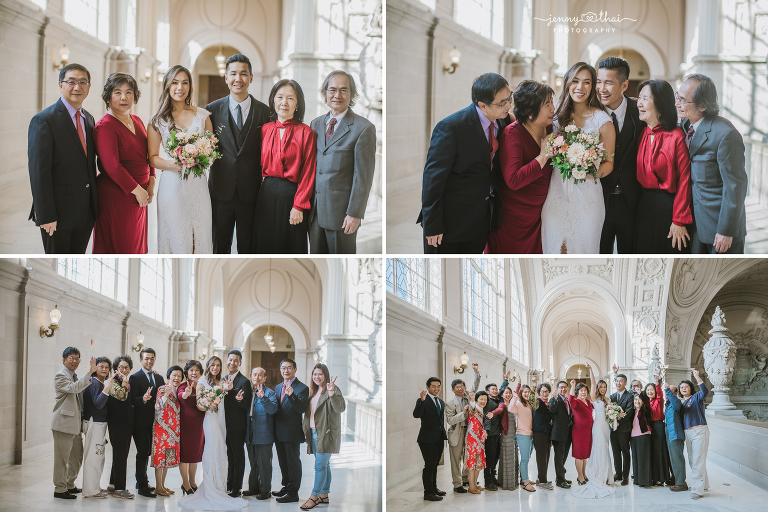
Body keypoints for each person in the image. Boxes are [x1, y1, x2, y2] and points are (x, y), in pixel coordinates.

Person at [418, 73, 513, 253]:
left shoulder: (502, 119)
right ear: (482, 106)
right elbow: (432, 181)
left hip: (480, 222)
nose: (509, 106)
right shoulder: (451, 128)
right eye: (502, 103)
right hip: (449, 224)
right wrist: (432, 225)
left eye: (509, 98)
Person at [541, 61, 615, 254]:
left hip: (588, 196)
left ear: (593, 87)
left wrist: (589, 173)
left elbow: (609, 163)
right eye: (575, 81)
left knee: (583, 249)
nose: (580, 87)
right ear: (567, 82)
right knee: (556, 248)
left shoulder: (602, 121)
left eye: (586, 82)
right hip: (557, 192)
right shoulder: (554, 114)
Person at [28, 64, 98, 254]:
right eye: (71, 82)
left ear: (89, 87)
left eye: (83, 82)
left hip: (85, 213)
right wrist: (46, 215)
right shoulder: (44, 120)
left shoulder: (89, 119)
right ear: (61, 85)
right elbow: (38, 172)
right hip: (57, 215)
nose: (77, 87)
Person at [205, 54, 271, 253]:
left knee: (249, 246)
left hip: (251, 192)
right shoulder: (211, 111)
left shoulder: (265, 112)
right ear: (226, 77)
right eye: (233, 74)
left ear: (251, 78)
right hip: (220, 190)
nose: (238, 79)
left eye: (244, 74)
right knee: (219, 246)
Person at [677, 74, 748, 254]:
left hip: (719, 227)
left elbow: (735, 186)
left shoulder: (725, 134)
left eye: (683, 101)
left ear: (703, 105)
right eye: (678, 97)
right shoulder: (685, 125)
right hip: (695, 224)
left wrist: (726, 230)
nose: (677, 104)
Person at [148, 65, 213, 253]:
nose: (180, 87)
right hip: (172, 186)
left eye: (185, 82)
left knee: (200, 235)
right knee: (177, 235)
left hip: (198, 185)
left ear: (190, 86)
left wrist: (200, 158)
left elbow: (210, 150)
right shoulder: (157, 121)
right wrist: (175, 164)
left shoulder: (202, 116)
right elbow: (152, 158)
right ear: (167, 86)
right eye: (175, 82)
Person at [309, 70, 376, 253]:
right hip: (314, 212)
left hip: (341, 216)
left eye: (343, 90)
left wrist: (354, 213)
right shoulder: (315, 124)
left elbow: (363, 176)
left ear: (352, 94)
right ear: (325, 93)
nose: (337, 95)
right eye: (332, 90)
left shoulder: (363, 129)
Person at [487, 80, 555, 254]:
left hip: (541, 216)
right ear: (530, 110)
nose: (553, 109)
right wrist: (543, 156)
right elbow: (513, 180)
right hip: (514, 219)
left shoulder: (551, 129)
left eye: (552, 103)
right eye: (547, 105)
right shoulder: (512, 134)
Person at [253, 79, 317, 253]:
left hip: (292, 195)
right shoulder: (265, 129)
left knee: (289, 246)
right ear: (273, 100)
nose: (284, 102)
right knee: (265, 245)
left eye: (290, 98)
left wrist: (299, 205)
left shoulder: (307, 133)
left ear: (297, 103)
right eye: (280, 97)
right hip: (266, 194)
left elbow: (308, 172)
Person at [92, 72, 153, 253]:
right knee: (122, 246)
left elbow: (149, 154)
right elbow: (112, 166)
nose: (124, 97)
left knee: (136, 245)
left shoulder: (137, 120)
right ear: (108, 96)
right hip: (118, 195)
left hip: (140, 194)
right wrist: (138, 191)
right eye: (117, 92)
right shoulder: (105, 126)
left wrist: (152, 181)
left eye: (129, 92)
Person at [178, 356, 247, 509]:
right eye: (212, 365)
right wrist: (210, 404)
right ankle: (210, 486)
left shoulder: (222, 382)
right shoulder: (202, 382)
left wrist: (226, 390)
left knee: (221, 450)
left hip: (221, 420)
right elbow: (200, 405)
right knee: (212, 449)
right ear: (208, 367)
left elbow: (227, 402)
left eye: (218, 365)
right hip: (210, 420)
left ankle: (220, 485)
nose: (215, 367)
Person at [634, 79, 693, 253]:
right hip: (644, 206)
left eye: (645, 98)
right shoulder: (643, 133)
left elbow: (685, 180)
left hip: (669, 208)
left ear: (660, 103)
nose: (639, 103)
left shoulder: (676, 136)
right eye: (639, 98)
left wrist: (679, 220)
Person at [596, 56, 645, 253]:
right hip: (599, 199)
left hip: (632, 200)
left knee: (631, 253)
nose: (601, 88)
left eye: (608, 82)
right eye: (599, 82)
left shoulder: (640, 112)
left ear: (624, 85)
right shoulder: (590, 113)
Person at [52, 348, 97, 499]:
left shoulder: (74, 376)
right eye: (71, 358)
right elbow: (73, 389)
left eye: (78, 358)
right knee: (62, 459)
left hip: (75, 425)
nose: (75, 361)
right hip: (63, 424)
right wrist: (90, 373)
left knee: (76, 457)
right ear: (63, 360)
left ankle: (69, 484)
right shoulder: (61, 375)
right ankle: (59, 489)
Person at [300, 364, 346, 509]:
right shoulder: (312, 391)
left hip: (326, 433)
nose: (317, 377)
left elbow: (340, 408)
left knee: (319, 466)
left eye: (320, 374)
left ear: (325, 375)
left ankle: (314, 496)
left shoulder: (332, 389)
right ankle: (324, 495)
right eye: (314, 374)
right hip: (313, 432)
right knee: (325, 465)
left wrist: (332, 393)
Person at [571, 371, 615, 499]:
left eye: (604, 387)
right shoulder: (594, 399)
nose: (602, 389)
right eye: (600, 387)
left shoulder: (608, 399)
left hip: (605, 425)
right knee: (598, 448)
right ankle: (597, 474)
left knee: (605, 449)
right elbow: (594, 383)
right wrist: (590, 369)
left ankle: (606, 475)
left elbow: (611, 412)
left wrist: (614, 417)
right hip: (597, 426)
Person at [272, 358, 310, 503]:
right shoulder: (277, 387)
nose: (285, 371)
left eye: (289, 368)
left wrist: (291, 395)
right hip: (278, 430)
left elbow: (301, 408)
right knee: (283, 461)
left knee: (293, 462)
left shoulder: (302, 388)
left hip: (292, 431)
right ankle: (286, 487)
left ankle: (293, 493)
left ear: (294, 369)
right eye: (283, 368)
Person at [129, 347, 165, 498]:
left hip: (155, 422)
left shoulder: (159, 378)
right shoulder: (135, 378)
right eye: (146, 358)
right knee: (142, 453)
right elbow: (131, 400)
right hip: (140, 422)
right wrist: (143, 399)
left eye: (152, 358)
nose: (149, 361)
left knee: (149, 453)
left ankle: (142, 481)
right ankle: (142, 485)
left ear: (155, 359)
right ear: (140, 360)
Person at [445, 364, 481, 493]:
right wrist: (463, 413)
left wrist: (476, 372)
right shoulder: (449, 404)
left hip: (470, 431)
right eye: (457, 387)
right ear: (453, 389)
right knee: (456, 459)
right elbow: (450, 420)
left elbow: (474, 387)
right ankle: (457, 484)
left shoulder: (467, 395)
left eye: (462, 387)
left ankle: (467, 478)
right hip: (457, 432)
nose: (460, 389)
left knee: (468, 456)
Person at [221, 350, 251, 497]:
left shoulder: (244, 381)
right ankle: (229, 482)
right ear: (227, 361)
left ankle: (236, 487)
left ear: (240, 363)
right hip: (223, 424)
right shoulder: (222, 378)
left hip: (236, 426)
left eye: (235, 361)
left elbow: (246, 404)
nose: (232, 363)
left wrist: (237, 396)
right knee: (228, 455)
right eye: (230, 360)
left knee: (237, 456)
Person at [245, 367, 278, 500]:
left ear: (264, 378)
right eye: (255, 375)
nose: (257, 377)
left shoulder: (270, 393)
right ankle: (254, 487)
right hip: (250, 432)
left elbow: (273, 410)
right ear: (251, 376)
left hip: (264, 433)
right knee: (253, 462)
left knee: (264, 462)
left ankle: (265, 490)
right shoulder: (247, 392)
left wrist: (263, 398)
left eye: (260, 375)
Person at [82, 357, 112, 499]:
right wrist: (107, 388)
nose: (104, 369)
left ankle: (95, 486)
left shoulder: (99, 383)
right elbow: (98, 404)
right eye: (101, 366)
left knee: (98, 458)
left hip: (100, 424)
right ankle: (90, 491)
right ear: (96, 368)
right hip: (94, 423)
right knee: (93, 458)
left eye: (107, 367)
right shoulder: (94, 383)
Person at [413, 377, 447, 501]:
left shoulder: (441, 402)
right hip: (426, 438)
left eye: (438, 386)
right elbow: (416, 414)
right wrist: (422, 401)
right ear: (427, 387)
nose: (436, 388)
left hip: (439, 437)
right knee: (429, 465)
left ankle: (434, 488)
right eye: (433, 386)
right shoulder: (422, 400)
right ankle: (428, 493)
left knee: (435, 464)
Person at [106, 355, 135, 499]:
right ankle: (120, 489)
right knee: (120, 455)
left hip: (126, 422)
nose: (124, 369)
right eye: (121, 367)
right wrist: (124, 381)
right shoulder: (113, 382)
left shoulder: (126, 381)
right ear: (116, 368)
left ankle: (112, 484)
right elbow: (122, 396)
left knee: (120, 454)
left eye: (127, 367)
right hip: (117, 422)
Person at [151, 366, 182, 496]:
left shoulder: (178, 391)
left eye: (179, 376)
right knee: (160, 459)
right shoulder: (163, 388)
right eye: (174, 375)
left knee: (167, 459)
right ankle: (158, 487)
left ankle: (162, 485)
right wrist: (166, 394)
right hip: (161, 429)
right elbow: (157, 406)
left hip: (173, 431)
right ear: (169, 376)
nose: (176, 378)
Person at [680, 369, 709, 500]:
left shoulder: (696, 397)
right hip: (688, 433)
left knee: (697, 459)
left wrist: (697, 377)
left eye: (686, 386)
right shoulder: (682, 403)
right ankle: (704, 485)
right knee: (693, 459)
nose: (683, 388)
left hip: (699, 431)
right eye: (681, 387)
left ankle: (697, 490)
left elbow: (705, 392)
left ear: (690, 388)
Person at [177, 360, 205, 494]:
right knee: (185, 455)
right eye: (191, 370)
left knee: (194, 455)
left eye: (197, 370)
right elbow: (181, 396)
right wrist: (186, 393)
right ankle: (185, 483)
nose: (194, 373)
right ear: (187, 372)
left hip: (199, 425)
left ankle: (193, 482)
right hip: (186, 425)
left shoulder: (202, 385)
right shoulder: (183, 385)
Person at [507, 384, 536, 492]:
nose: (527, 394)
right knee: (525, 459)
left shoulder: (529, 403)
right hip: (523, 434)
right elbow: (510, 409)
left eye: (528, 392)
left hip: (531, 434)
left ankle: (523, 478)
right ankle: (526, 482)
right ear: (521, 393)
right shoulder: (518, 404)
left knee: (527, 457)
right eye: (525, 392)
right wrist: (514, 397)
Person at [645, 373, 672, 486]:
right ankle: (654, 477)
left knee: (660, 452)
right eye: (648, 390)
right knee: (652, 453)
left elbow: (660, 394)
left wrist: (657, 383)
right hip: (650, 427)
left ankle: (662, 477)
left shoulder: (658, 401)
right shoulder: (646, 402)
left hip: (659, 427)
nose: (649, 392)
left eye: (651, 390)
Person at [610, 366, 635, 485]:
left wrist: (619, 421)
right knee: (615, 452)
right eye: (617, 381)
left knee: (625, 452)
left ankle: (625, 476)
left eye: (621, 381)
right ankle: (618, 473)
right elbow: (608, 411)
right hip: (613, 430)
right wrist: (611, 422)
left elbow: (629, 412)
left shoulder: (629, 396)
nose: (618, 383)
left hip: (624, 429)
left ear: (625, 383)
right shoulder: (612, 396)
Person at [663, 382, 689, 492]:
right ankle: (678, 480)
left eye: (670, 391)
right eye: (666, 392)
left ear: (675, 393)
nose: (667, 394)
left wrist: (668, 389)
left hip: (676, 434)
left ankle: (681, 483)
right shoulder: (668, 404)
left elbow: (675, 402)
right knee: (673, 458)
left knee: (677, 458)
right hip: (670, 433)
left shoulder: (676, 402)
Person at [568, 381, 594, 486]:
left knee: (584, 455)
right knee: (579, 454)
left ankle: (584, 474)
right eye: (581, 390)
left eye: (585, 390)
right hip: (578, 432)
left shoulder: (588, 401)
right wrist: (573, 385)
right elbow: (570, 398)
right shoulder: (575, 401)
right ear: (577, 392)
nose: (583, 392)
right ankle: (579, 476)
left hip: (588, 432)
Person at [549, 380, 573, 489]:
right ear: (557, 389)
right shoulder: (554, 400)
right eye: (561, 387)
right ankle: (560, 480)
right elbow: (552, 411)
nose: (563, 389)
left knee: (564, 456)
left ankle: (561, 476)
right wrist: (554, 399)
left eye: (565, 387)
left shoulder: (567, 400)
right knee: (559, 457)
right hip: (558, 434)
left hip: (567, 434)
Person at [465, 391, 488, 494]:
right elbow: (471, 405)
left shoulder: (485, 410)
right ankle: (471, 487)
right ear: (477, 399)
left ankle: (474, 484)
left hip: (480, 439)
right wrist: (472, 398)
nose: (483, 401)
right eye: (481, 399)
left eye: (485, 400)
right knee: (472, 462)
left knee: (478, 462)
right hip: (472, 438)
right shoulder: (473, 408)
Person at [481, 382, 503, 490]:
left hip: (498, 433)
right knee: (489, 458)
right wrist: (486, 431)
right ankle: (487, 481)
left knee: (496, 456)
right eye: (492, 389)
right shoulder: (487, 402)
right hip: (490, 434)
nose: (495, 391)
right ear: (487, 392)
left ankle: (493, 477)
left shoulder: (498, 400)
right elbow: (486, 418)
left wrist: (506, 379)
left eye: (496, 389)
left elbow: (503, 389)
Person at [531, 383, 553, 490]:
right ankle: (542, 481)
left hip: (547, 433)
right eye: (542, 391)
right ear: (539, 392)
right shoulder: (538, 402)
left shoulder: (548, 403)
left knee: (546, 456)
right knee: (541, 457)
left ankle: (541, 478)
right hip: (539, 432)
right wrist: (533, 387)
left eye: (546, 391)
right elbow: (531, 400)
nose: (544, 393)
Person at [630, 392, 653, 486]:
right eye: (635, 399)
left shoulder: (645, 410)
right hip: (633, 437)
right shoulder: (633, 411)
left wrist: (641, 397)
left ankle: (644, 481)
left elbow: (647, 403)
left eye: (639, 399)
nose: (637, 401)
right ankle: (637, 479)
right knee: (636, 459)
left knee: (643, 459)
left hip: (643, 435)